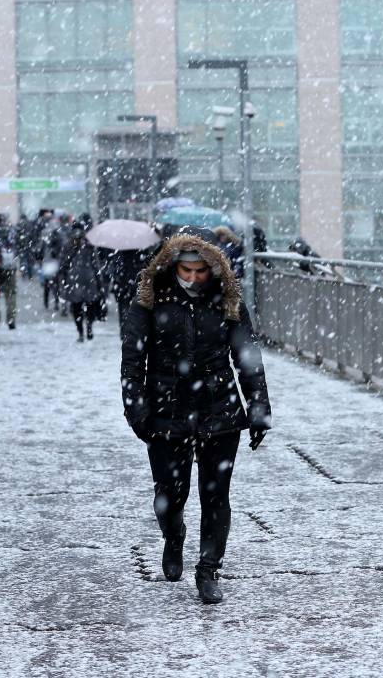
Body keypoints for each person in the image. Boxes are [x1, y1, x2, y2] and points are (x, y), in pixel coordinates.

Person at [120, 233, 272, 604]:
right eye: (185, 270)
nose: (192, 277)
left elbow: (246, 355)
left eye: (200, 270)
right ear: (173, 267)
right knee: (170, 495)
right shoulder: (150, 299)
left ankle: (208, 569)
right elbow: (132, 361)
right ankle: (174, 535)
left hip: (218, 408)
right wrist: (137, 411)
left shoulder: (226, 299)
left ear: (212, 268)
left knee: (216, 494)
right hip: (166, 411)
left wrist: (258, 408)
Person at [57, 227, 107, 342]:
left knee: (76, 308)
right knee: (90, 305)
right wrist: (100, 283)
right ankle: (89, 327)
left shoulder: (68, 247)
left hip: (74, 280)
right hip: (89, 279)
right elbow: (96, 266)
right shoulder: (90, 246)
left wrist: (63, 280)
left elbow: (63, 265)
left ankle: (80, 332)